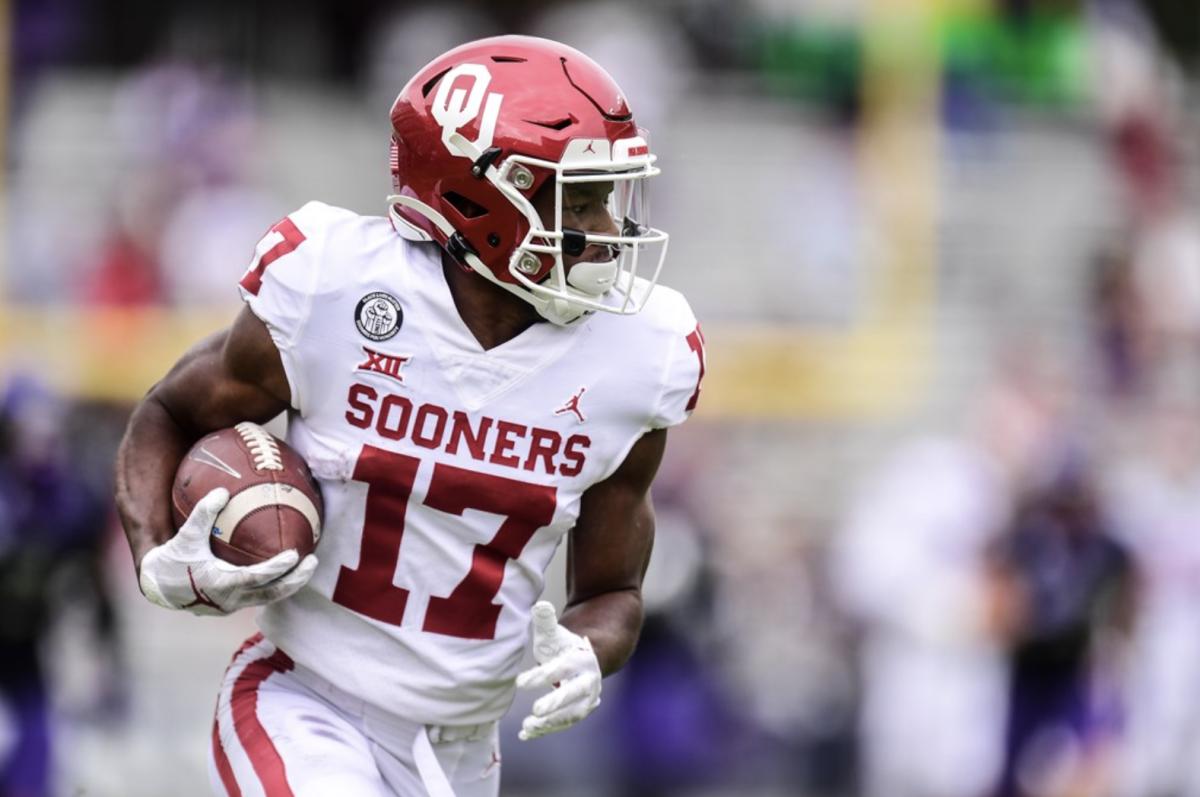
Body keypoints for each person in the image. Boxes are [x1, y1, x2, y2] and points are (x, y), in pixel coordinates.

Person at [113, 35, 704, 797]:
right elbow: (171, 410)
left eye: (609, 198)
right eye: (580, 199)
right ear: (482, 199)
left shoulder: (638, 353)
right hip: (306, 702)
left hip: (465, 752)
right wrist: (155, 553)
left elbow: (612, 590)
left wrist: (590, 650)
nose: (609, 230)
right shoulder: (338, 289)